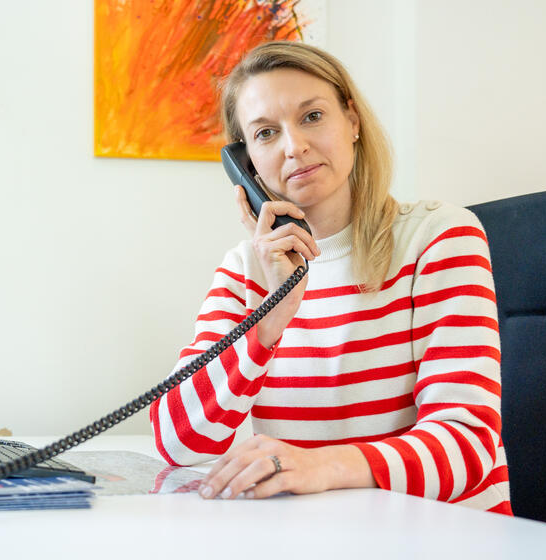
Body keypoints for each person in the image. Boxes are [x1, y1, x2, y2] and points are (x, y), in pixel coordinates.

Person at [149, 41, 511, 515]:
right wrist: (269, 317)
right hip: (321, 535)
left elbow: (467, 443)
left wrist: (323, 466)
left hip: (443, 537)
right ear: (245, 166)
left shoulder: (437, 236)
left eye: (312, 117)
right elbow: (178, 441)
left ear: (353, 122)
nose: (293, 146)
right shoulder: (245, 269)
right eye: (264, 134)